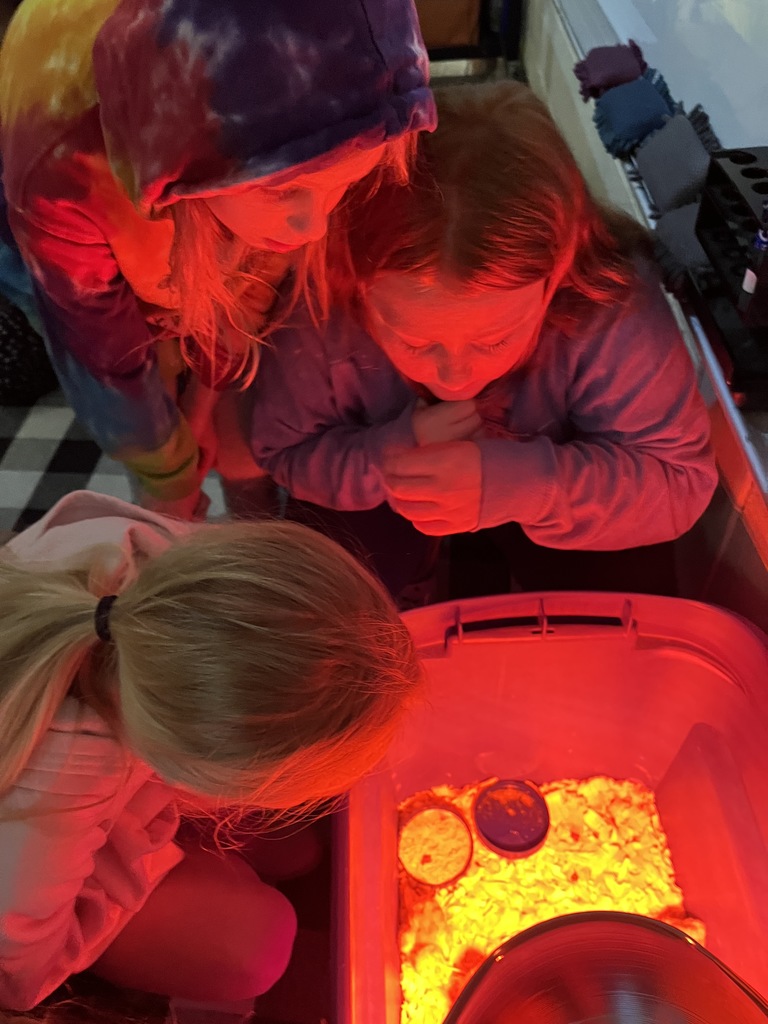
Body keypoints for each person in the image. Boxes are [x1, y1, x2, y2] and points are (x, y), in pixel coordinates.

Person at [247, 81, 718, 600]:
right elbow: (285, 450)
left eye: (495, 340)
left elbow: (679, 482)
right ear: (356, 286)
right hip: (380, 482)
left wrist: (520, 484)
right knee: (327, 587)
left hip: (556, 486)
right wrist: (388, 455)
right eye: (415, 343)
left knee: (627, 584)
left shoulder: (608, 301)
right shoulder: (322, 304)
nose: (455, 378)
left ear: (556, 281)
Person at [0, 0, 435, 519]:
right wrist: (165, 474)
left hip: (196, 195)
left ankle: (244, 507)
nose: (313, 227)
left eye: (343, 184)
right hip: (61, 219)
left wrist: (202, 402)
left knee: (212, 390)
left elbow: (248, 288)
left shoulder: (314, 130)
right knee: (130, 384)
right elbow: (101, 354)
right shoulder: (61, 177)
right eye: (284, 191)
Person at [0, 490, 422, 1011]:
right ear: (193, 770)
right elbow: (19, 980)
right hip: (36, 899)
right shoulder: (47, 815)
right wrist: (133, 850)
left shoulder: (166, 563)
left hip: (104, 791)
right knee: (255, 946)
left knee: (299, 853)